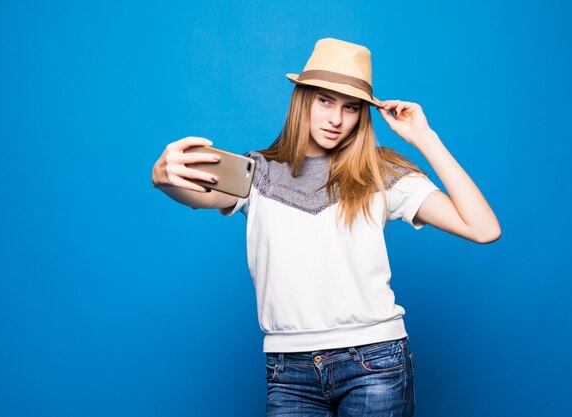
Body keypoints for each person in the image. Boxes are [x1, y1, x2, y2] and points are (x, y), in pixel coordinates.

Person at [151, 38, 501, 417]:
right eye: (325, 101)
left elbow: (482, 228)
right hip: (288, 370)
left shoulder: (379, 173)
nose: (336, 119)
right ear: (303, 99)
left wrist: (424, 138)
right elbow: (194, 194)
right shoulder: (258, 174)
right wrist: (164, 177)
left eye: (351, 108)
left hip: (375, 363)